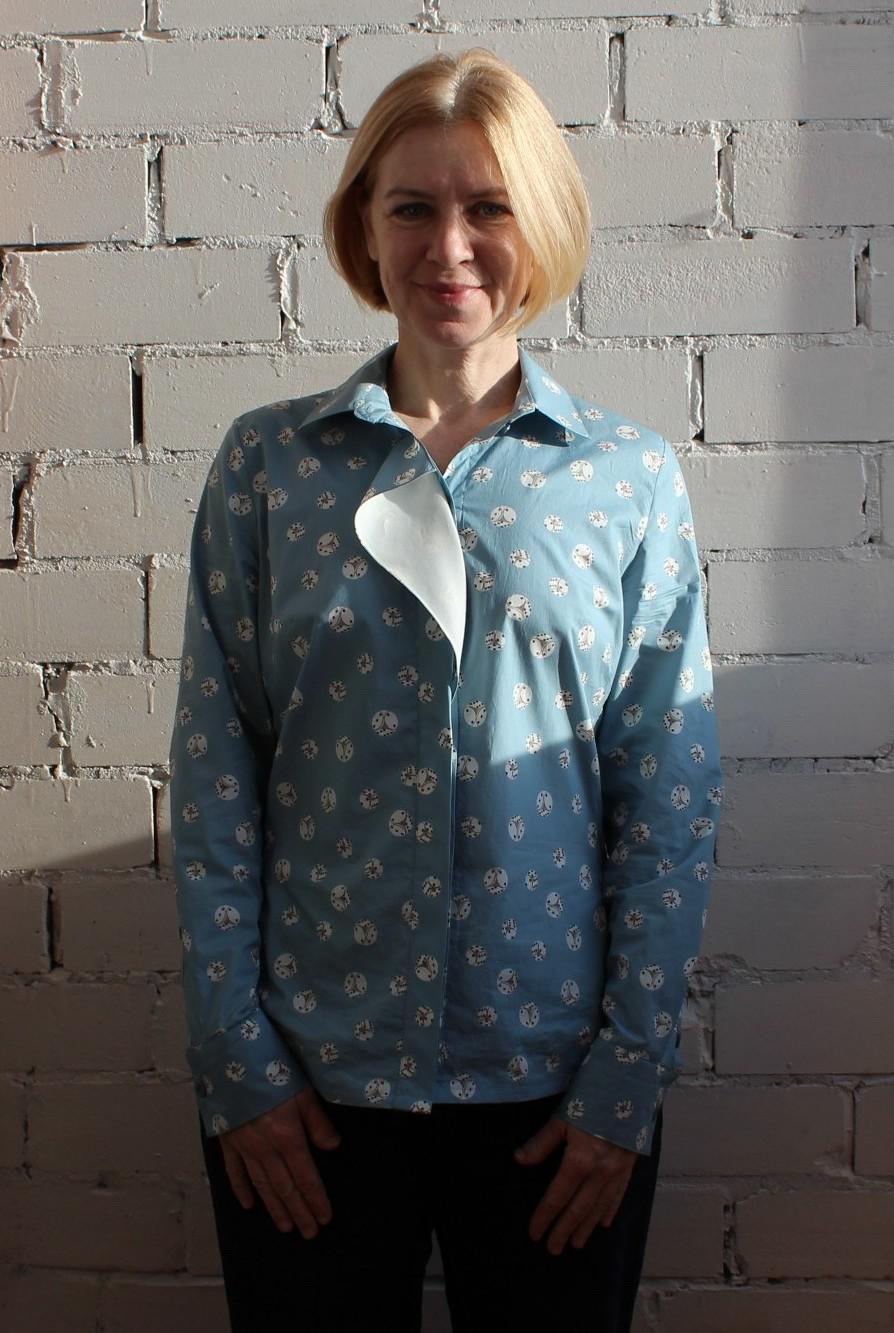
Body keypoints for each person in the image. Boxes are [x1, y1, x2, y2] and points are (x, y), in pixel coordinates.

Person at [169, 46, 722, 1333]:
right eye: (412, 206)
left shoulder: (625, 479)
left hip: (554, 1097)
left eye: (489, 207)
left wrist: (625, 1080)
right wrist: (237, 1061)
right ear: (365, 225)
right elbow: (214, 776)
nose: (450, 246)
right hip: (310, 1088)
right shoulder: (269, 468)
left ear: (545, 222)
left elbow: (670, 793)